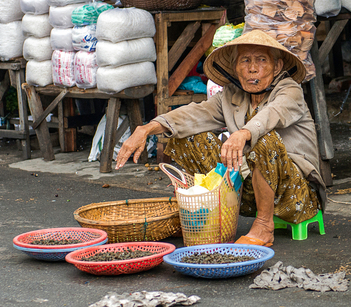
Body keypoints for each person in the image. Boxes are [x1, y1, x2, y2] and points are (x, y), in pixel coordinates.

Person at [115, 30, 326, 247]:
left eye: (261, 60)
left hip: (295, 196)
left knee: (264, 140)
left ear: (278, 66)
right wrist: (147, 128)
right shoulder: (232, 95)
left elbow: (273, 113)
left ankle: (264, 225)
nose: (253, 68)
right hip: (245, 193)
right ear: (235, 67)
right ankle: (210, 212)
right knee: (187, 138)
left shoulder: (290, 90)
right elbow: (193, 114)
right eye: (245, 60)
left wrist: (243, 133)